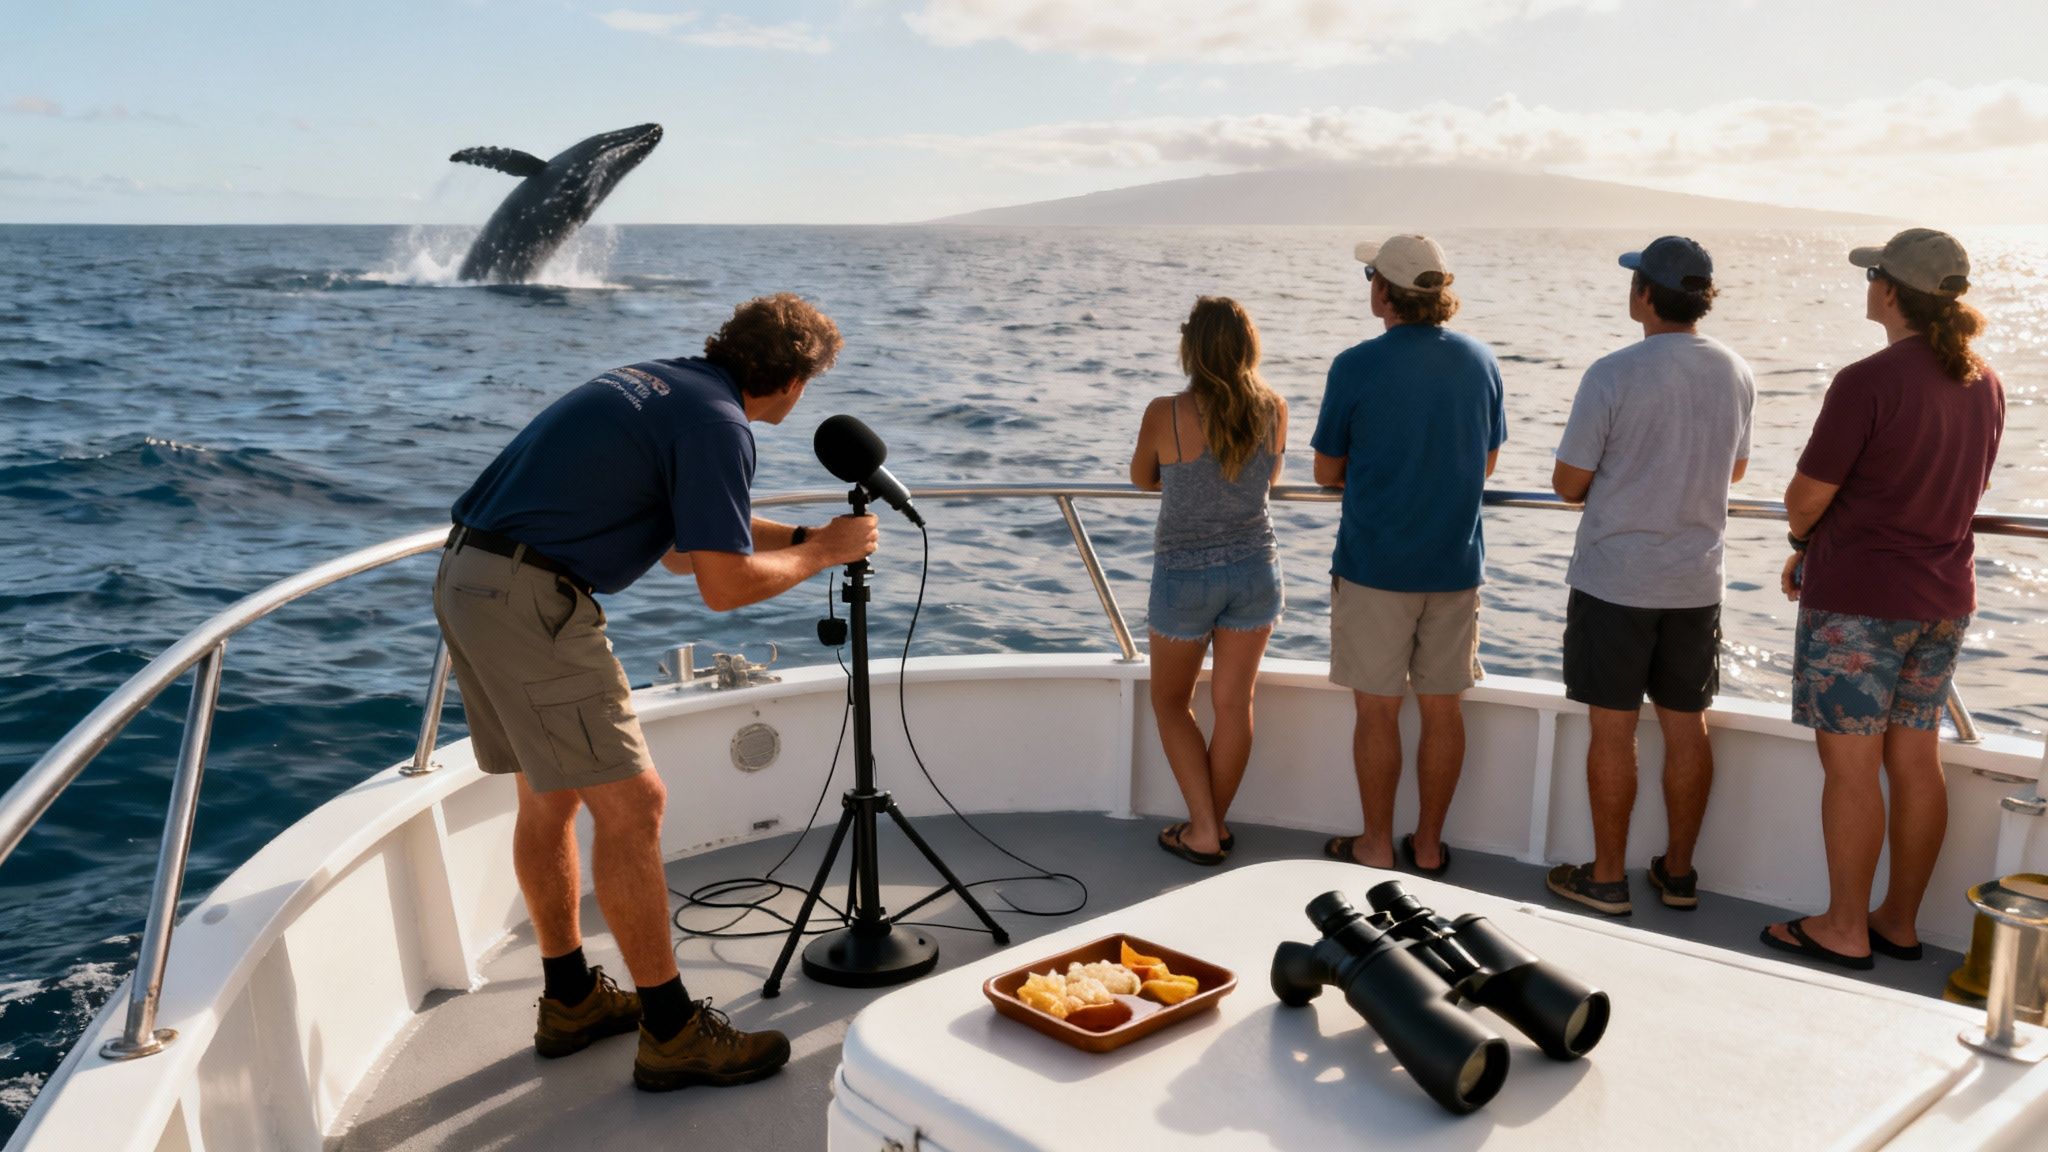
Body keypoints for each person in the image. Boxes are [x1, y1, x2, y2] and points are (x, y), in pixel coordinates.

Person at [432, 293, 878, 1091]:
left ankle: (571, 1000)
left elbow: (682, 546)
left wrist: (811, 539)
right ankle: (672, 1032)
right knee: (634, 805)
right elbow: (722, 582)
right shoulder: (719, 426)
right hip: (534, 602)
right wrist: (822, 558)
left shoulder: (666, 384)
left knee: (549, 794)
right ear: (791, 380)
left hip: (473, 576)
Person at [1763, 229, 2005, 970]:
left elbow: (1805, 500)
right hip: (1942, 597)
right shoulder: (1984, 381)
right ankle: (1897, 922)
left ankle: (1842, 926)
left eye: (1874, 276)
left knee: (1850, 769)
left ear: (1892, 292)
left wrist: (1804, 544)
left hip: (1861, 602)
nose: (1867, 285)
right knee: (1916, 759)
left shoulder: (1866, 381)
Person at [1542, 236, 1755, 917]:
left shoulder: (1613, 373)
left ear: (1644, 295)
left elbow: (1569, 483)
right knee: (1688, 726)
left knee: (1613, 731)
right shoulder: (1736, 371)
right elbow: (1737, 472)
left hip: (1616, 582)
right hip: (1697, 581)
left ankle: (1607, 878)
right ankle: (1680, 874)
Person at [1311, 235, 1506, 874]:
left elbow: (1324, 471)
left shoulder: (1356, 365)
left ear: (1385, 291)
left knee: (1377, 708)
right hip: (1454, 564)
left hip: (1375, 565)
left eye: (1371, 275)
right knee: (1443, 708)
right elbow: (1487, 462)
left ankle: (1374, 844)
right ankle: (1427, 846)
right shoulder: (1481, 361)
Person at [1129, 296, 1289, 866]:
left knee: (1171, 703)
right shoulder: (1274, 407)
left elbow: (1142, 476)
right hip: (1255, 570)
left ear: (1191, 348)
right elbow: (1270, 477)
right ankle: (1211, 826)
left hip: (1185, 576)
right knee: (1234, 704)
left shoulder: (1165, 412)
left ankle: (1202, 829)